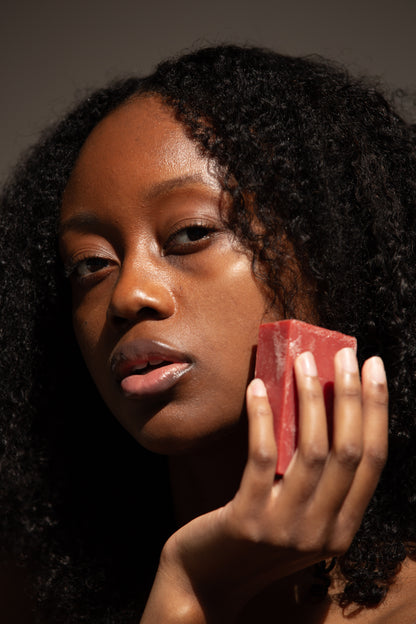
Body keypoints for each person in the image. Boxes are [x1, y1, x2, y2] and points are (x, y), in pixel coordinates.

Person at [1, 44, 415, 623]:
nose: (127, 295)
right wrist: (191, 593)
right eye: (90, 264)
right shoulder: (30, 598)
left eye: (191, 233)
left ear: (334, 256)